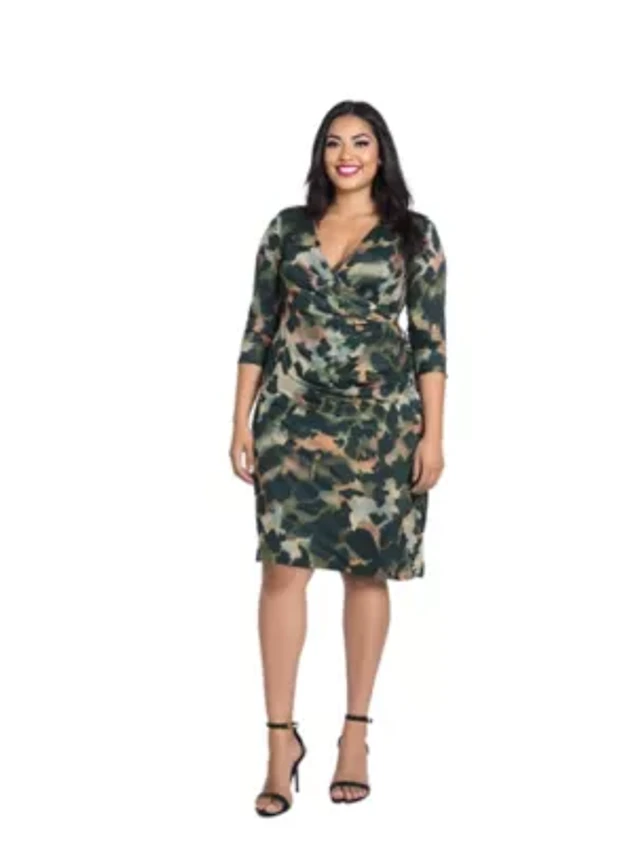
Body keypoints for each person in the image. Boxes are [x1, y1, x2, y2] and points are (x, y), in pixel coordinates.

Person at [230, 100, 447, 816]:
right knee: (281, 573)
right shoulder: (286, 230)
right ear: (320, 155)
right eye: (333, 142)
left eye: (360, 142)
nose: (346, 154)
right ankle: (278, 742)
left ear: (382, 154)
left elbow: (431, 342)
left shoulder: (414, 235)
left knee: (366, 571)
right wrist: (239, 421)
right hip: (291, 420)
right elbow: (259, 328)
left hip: (382, 427)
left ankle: (355, 734)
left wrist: (433, 436)